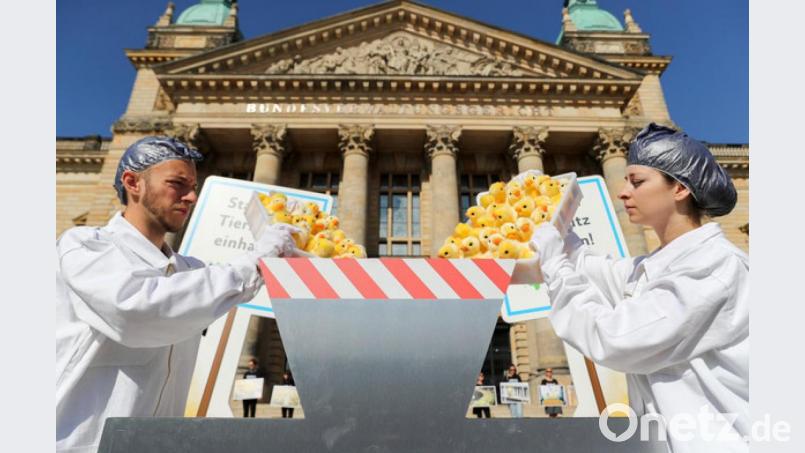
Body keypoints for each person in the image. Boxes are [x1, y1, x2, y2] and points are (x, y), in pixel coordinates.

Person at [56, 136, 300, 453]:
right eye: (177, 184)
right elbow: (135, 311)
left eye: (194, 186)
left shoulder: (190, 271)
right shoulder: (86, 246)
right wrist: (255, 262)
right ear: (133, 183)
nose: (191, 196)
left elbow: (204, 290)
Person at [530, 123, 748, 452]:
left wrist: (555, 264)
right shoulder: (661, 265)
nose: (623, 192)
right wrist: (562, 237)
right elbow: (603, 271)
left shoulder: (711, 267)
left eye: (637, 181)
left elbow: (616, 338)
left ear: (680, 189)